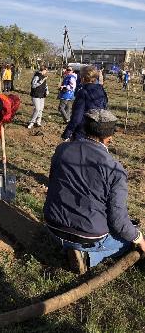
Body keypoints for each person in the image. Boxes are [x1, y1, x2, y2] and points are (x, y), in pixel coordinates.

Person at [44, 109, 145, 274]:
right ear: (109, 138)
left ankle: (71, 247)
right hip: (87, 236)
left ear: (85, 129)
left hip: (52, 227)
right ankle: (88, 257)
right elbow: (118, 221)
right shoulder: (115, 169)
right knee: (127, 241)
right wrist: (139, 238)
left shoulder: (62, 150)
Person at [62, 65, 107, 141]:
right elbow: (104, 108)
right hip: (96, 130)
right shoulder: (101, 90)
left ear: (82, 78)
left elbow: (77, 117)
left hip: (82, 131)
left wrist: (67, 133)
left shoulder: (82, 92)